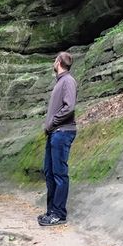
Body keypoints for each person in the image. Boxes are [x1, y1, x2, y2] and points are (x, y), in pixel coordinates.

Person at [38, 51, 78, 226]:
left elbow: (69, 107)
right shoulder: (60, 82)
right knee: (49, 172)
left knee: (59, 174)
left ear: (59, 62)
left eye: (55, 60)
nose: (53, 62)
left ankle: (59, 214)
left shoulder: (68, 81)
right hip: (55, 132)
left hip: (62, 132)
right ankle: (51, 211)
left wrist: (51, 123)